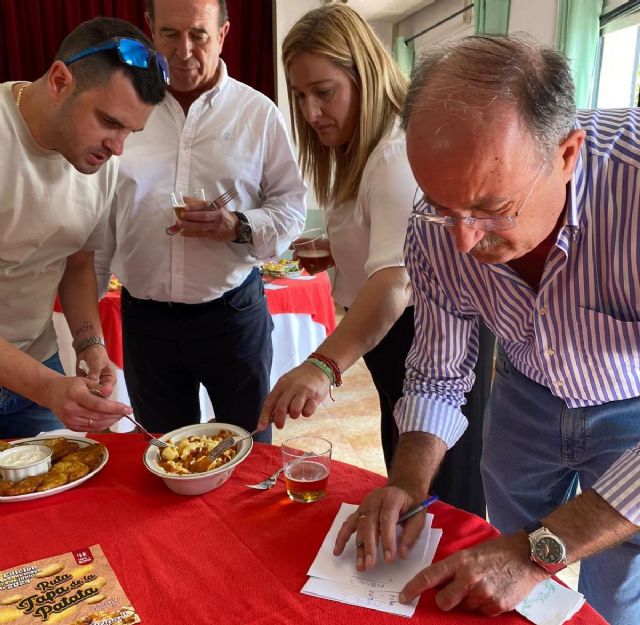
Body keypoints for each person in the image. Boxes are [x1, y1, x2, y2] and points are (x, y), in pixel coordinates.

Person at [333, 35, 640, 624]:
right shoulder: (439, 220)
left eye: (491, 208)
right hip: (524, 394)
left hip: (631, 405)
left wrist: (535, 553)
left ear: (567, 153)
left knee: (620, 585)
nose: (463, 240)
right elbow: (439, 372)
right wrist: (408, 484)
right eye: (443, 207)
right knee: (502, 555)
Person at [258, 4, 492, 517]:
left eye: (323, 92)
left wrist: (321, 365)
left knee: (440, 494)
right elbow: (387, 256)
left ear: (363, 75)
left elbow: (395, 283)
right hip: (398, 341)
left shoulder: (391, 152)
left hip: (425, 341)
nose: (310, 112)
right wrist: (339, 258)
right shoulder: (362, 150)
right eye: (299, 96)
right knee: (409, 473)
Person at [95, 0, 306, 442]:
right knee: (162, 457)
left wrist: (238, 226)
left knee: (247, 450)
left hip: (231, 315)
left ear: (224, 34)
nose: (184, 50)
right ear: (150, 30)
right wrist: (89, 331)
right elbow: (97, 216)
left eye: (199, 34)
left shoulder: (258, 113)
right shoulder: (125, 108)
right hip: (144, 318)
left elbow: (291, 208)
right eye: (170, 34)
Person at [0, 17, 168, 438]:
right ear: (60, 80)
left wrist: (90, 345)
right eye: (110, 122)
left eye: (131, 131)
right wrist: (48, 389)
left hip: (37, 363)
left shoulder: (100, 162)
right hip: (38, 380)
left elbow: (75, 263)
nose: (118, 147)